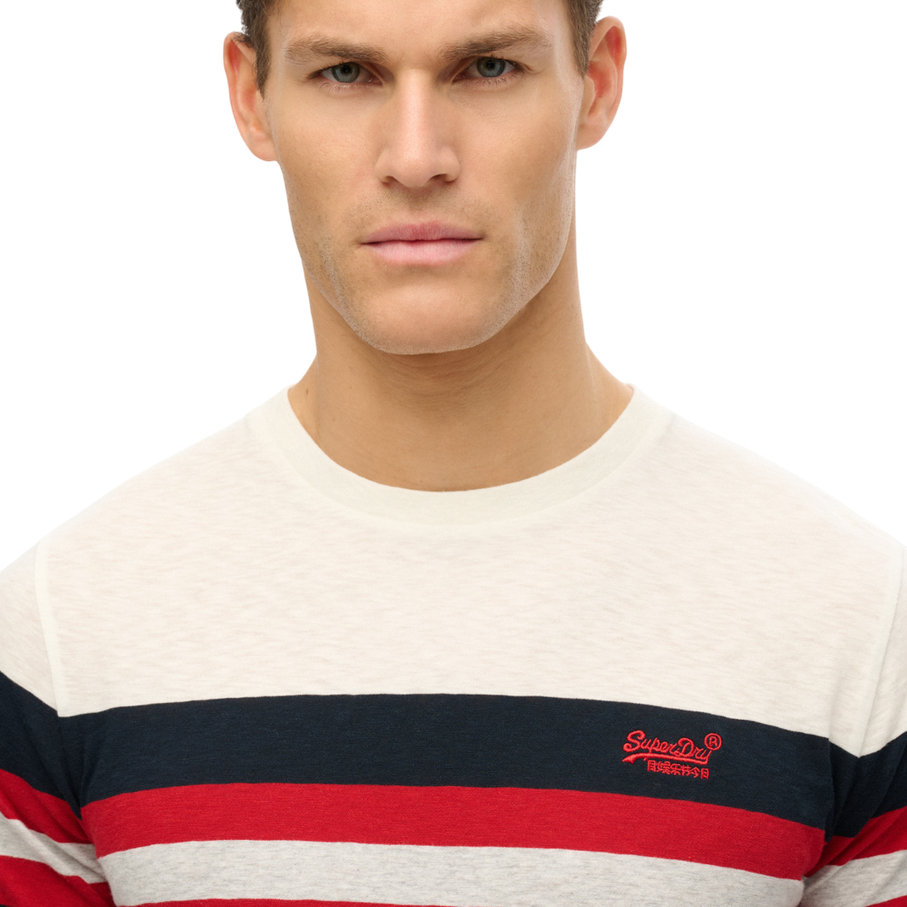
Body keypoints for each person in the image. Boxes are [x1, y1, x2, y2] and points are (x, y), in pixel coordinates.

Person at [1, 0, 904, 902]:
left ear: (597, 83)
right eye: (345, 73)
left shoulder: (860, 625)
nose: (415, 157)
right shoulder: (57, 631)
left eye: (488, 68)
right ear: (249, 97)